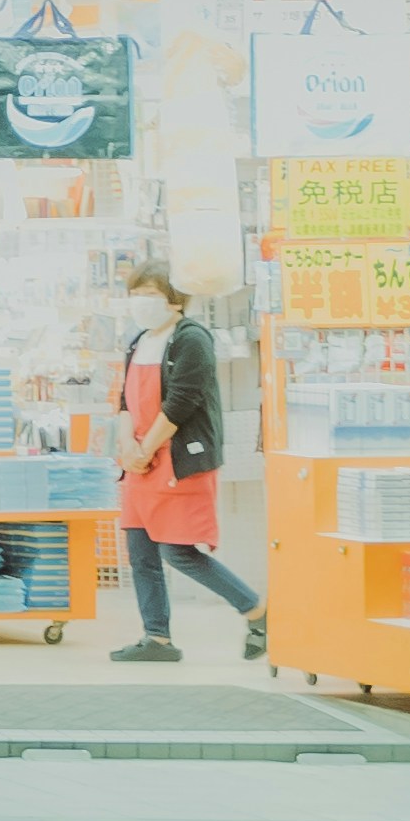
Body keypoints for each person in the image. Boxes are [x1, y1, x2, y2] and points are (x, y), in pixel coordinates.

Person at [111, 257, 265, 668]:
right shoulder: (138, 340)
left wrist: (145, 450)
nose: (141, 302)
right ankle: (157, 639)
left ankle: (256, 610)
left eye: (150, 294)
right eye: (135, 294)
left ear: (174, 298)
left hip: (177, 461)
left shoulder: (192, 339)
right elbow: (124, 400)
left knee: (178, 551)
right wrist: (128, 447)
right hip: (139, 463)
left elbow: (182, 403)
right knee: (141, 552)